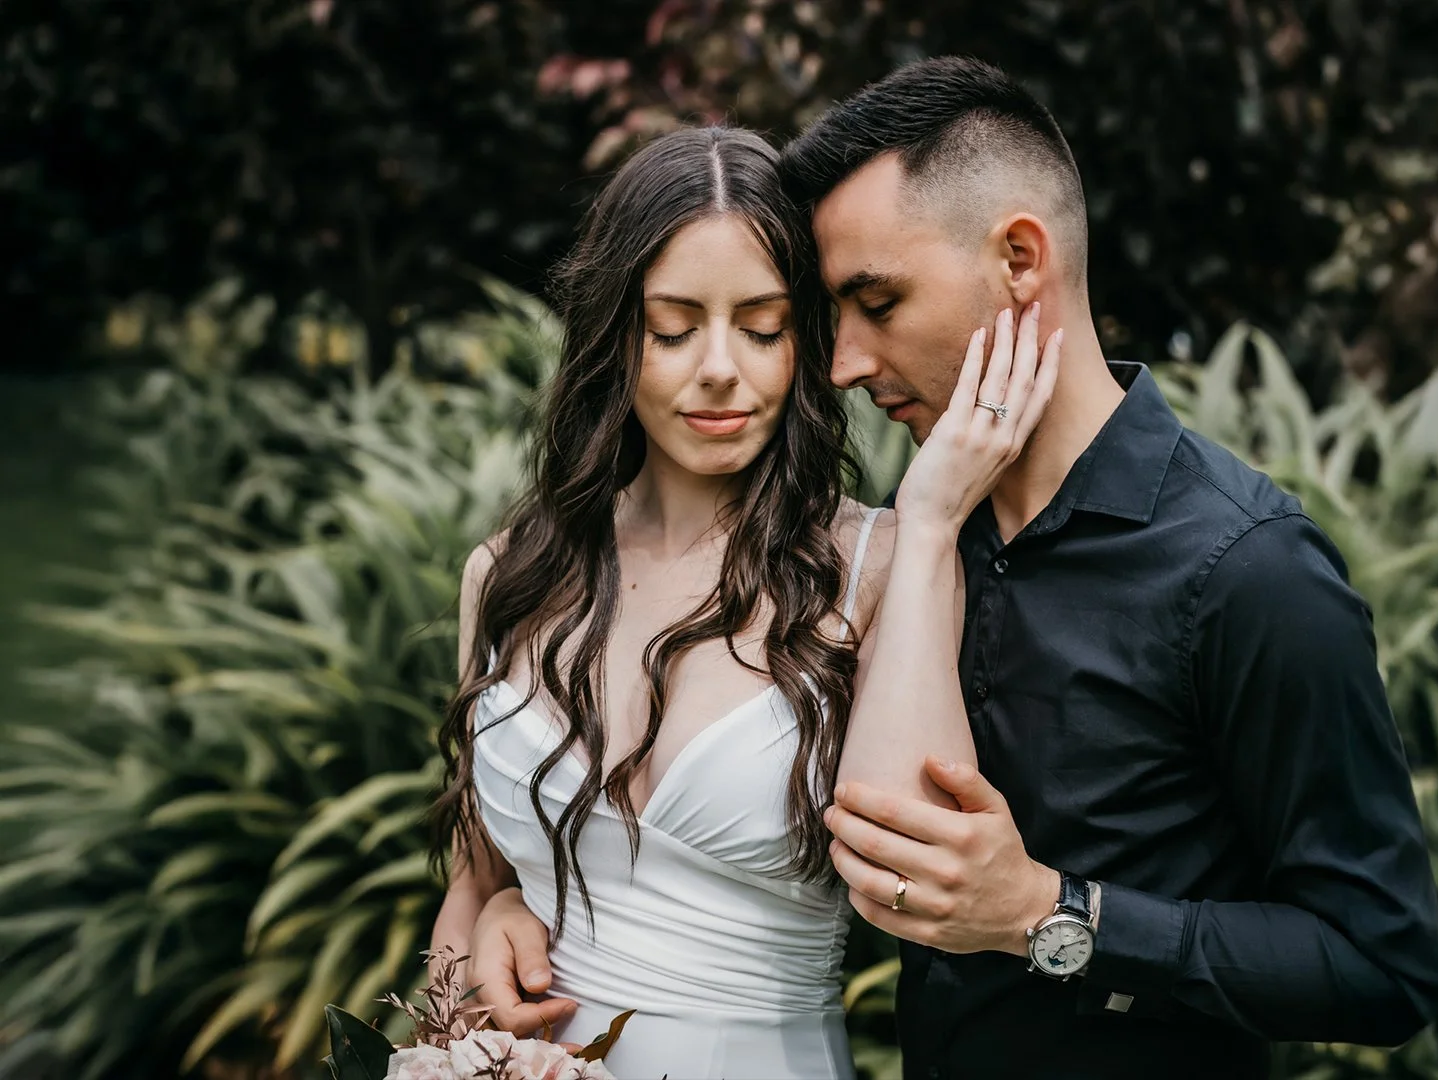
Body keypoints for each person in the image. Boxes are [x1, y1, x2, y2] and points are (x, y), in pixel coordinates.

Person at [464, 58, 1438, 1079]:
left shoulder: (1248, 571)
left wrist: (1054, 916)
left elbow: (1382, 965)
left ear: (1020, 259)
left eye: (878, 302)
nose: (840, 363)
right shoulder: (906, 535)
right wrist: (513, 898)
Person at [428, 125, 1058, 1080]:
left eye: (763, 328)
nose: (720, 366)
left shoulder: (878, 565)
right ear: (612, 334)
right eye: (673, 328)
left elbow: (908, 877)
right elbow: (472, 890)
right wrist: (486, 950)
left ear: (807, 341)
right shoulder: (510, 574)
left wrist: (931, 524)